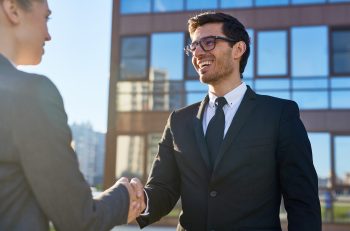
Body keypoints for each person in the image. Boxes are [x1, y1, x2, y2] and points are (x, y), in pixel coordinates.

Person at [136, 12, 321, 230]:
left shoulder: (279, 114)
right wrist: (139, 200)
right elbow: (163, 189)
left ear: (238, 49)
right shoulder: (179, 121)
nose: (198, 52)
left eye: (208, 42)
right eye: (193, 46)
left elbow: (302, 202)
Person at [0, 0, 144, 230]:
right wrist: (124, 196)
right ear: (13, 9)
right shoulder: (30, 94)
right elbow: (79, 220)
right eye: (46, 18)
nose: (49, 36)